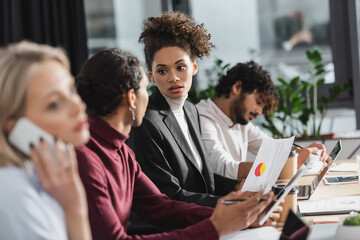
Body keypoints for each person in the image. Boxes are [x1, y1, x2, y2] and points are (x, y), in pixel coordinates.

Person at [75, 48, 276, 240]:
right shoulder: (87, 160)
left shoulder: (121, 151)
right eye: (146, 87)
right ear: (131, 98)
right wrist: (216, 226)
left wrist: (238, 215)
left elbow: (162, 207)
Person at [128, 11, 246, 208]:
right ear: (150, 75)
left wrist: (238, 187)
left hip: (203, 216)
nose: (173, 77)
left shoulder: (191, 111)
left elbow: (202, 180)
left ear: (194, 67)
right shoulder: (146, 121)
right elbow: (168, 195)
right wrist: (229, 203)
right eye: (162, 71)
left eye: (180, 67)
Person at [0, 41, 91, 240]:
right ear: (15, 127)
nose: (78, 105)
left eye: (71, 90)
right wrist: (75, 208)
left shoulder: (37, 179)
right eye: (55, 104)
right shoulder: (12, 191)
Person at [196, 61, 328, 179]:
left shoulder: (239, 121)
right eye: (258, 102)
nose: (259, 112)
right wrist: (280, 167)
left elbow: (272, 147)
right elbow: (223, 168)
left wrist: (304, 152)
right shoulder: (202, 118)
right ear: (237, 88)